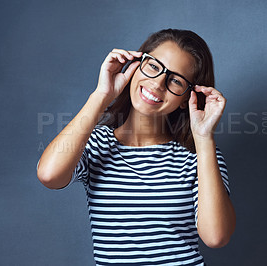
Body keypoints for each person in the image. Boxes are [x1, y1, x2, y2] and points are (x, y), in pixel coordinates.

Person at [37, 28, 236, 265]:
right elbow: (49, 175)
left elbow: (216, 237)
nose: (157, 84)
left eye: (175, 80)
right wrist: (101, 95)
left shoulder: (198, 156)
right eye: (153, 66)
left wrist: (203, 139)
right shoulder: (96, 143)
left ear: (187, 98)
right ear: (135, 65)